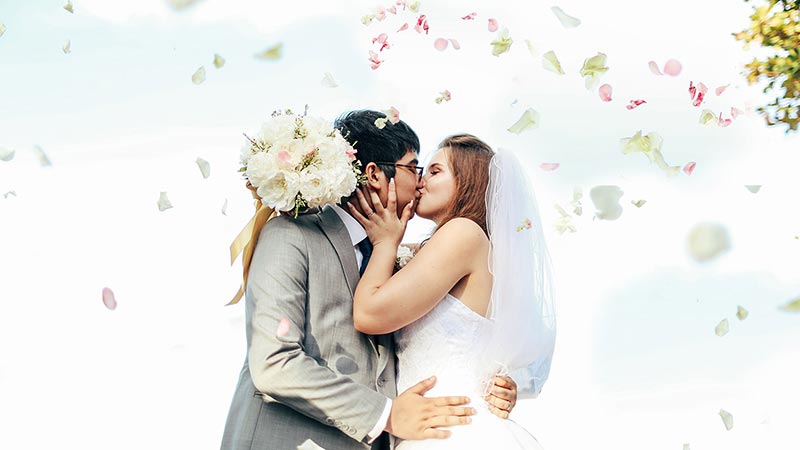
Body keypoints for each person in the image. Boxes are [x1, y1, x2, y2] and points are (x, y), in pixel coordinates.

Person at [221, 112, 520, 450]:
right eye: (414, 167)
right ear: (375, 174)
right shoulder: (291, 234)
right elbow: (273, 363)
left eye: (430, 171)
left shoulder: (396, 255)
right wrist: (386, 414)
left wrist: (500, 382)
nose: (420, 181)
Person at [348, 134, 557, 449]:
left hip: (451, 429)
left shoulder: (462, 233)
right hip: (435, 425)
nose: (420, 182)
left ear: (468, 182)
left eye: (434, 171)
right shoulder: (452, 246)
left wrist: (385, 243)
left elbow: (368, 314)